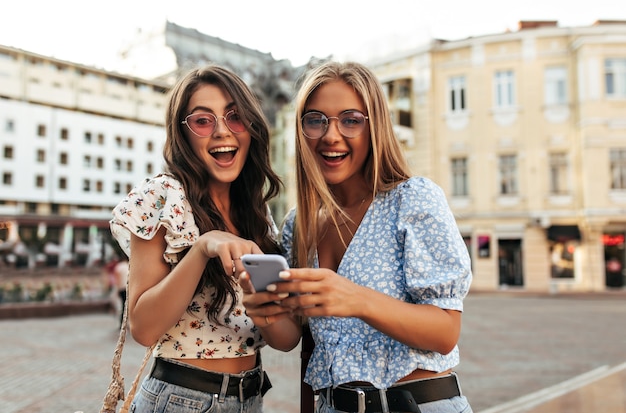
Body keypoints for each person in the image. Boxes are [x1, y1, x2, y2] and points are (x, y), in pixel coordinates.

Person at [241, 61, 473, 413]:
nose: (331, 135)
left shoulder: (412, 200)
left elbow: (445, 333)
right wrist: (263, 312)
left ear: (374, 127)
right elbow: (290, 339)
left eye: (350, 119)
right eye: (315, 119)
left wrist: (357, 299)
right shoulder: (299, 224)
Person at [107, 64, 300, 413]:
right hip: (181, 399)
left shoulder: (256, 214)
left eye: (235, 117)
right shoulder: (164, 197)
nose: (222, 132)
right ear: (183, 134)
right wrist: (201, 247)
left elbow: (286, 340)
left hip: (251, 398)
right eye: (203, 120)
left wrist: (264, 304)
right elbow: (144, 328)